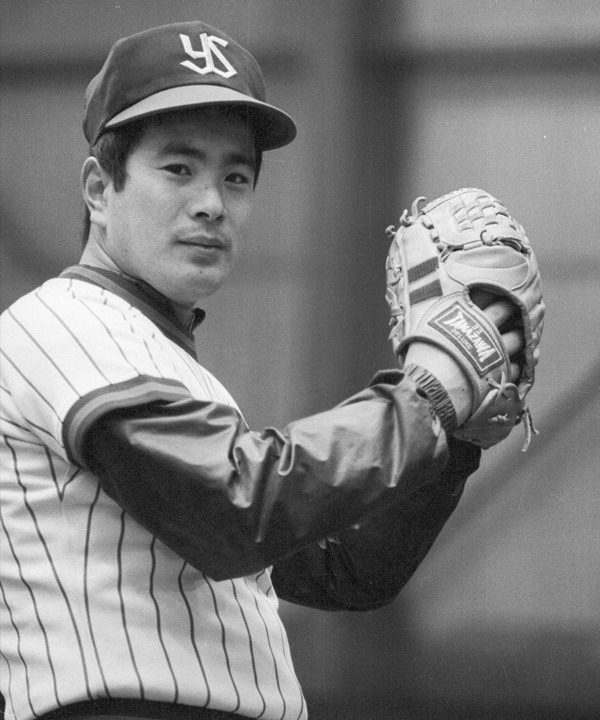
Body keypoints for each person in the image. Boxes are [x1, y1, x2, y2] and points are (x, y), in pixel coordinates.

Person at [0, 20, 524, 720]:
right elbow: (236, 507)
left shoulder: (164, 366)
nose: (212, 203)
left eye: (236, 176)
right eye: (178, 168)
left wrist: (452, 440)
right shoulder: (63, 324)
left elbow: (344, 570)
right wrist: (431, 395)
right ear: (99, 188)